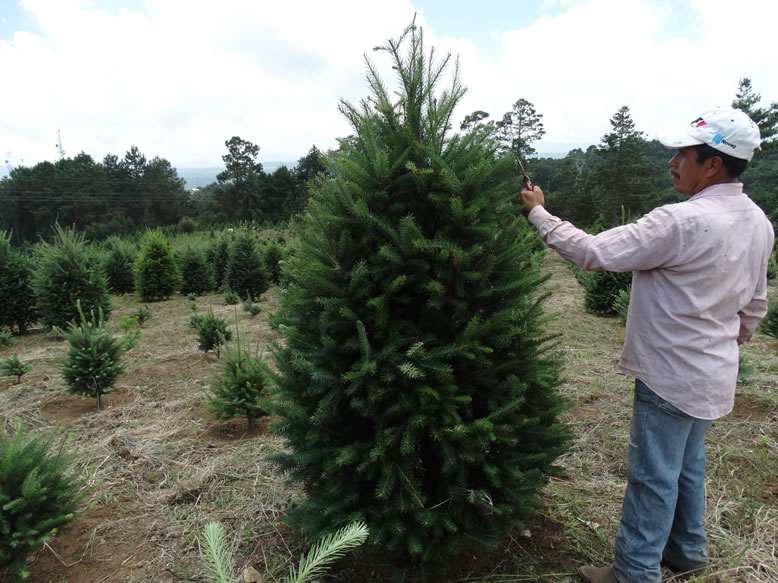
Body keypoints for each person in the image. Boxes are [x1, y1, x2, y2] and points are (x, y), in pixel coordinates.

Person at [519, 107, 774, 583]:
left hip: (670, 378)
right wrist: (725, 349)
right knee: (687, 466)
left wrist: (538, 212)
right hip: (713, 373)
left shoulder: (679, 221)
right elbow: (755, 305)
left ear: (713, 163)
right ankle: (687, 551)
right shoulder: (758, 221)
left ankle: (634, 573)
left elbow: (593, 252)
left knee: (652, 476)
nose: (672, 162)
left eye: (682, 153)